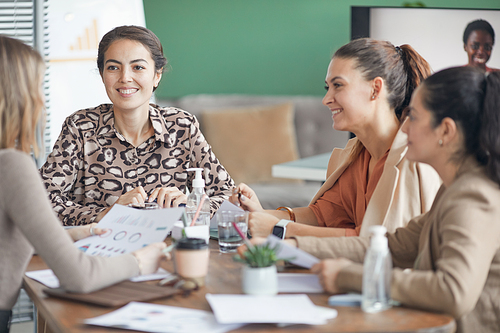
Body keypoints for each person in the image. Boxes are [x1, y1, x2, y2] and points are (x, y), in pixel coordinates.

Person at [257, 67, 500, 332]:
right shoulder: (456, 189)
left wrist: (348, 276)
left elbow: (453, 291)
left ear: (446, 131)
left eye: (414, 117)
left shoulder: (474, 196)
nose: (404, 127)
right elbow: (392, 246)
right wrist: (286, 248)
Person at [0, 35, 168, 333]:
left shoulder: (183, 124)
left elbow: (12, 234)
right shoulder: (11, 165)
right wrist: (142, 260)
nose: (40, 99)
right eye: (37, 87)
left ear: (157, 76)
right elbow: (80, 276)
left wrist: (84, 231)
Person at [231, 38, 441, 238]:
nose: (326, 99)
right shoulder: (356, 155)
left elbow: (378, 244)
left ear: (375, 89)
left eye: (338, 85)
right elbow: (322, 215)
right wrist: (261, 214)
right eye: (327, 87)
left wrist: (280, 229)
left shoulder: (413, 160)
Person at [39, 25, 234, 226]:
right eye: (113, 67)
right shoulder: (80, 127)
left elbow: (229, 197)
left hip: (166, 249)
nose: (125, 78)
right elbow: (40, 200)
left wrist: (191, 205)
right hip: (100, 251)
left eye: (138, 67)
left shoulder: (182, 126)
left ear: (157, 75)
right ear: (102, 74)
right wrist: (105, 214)